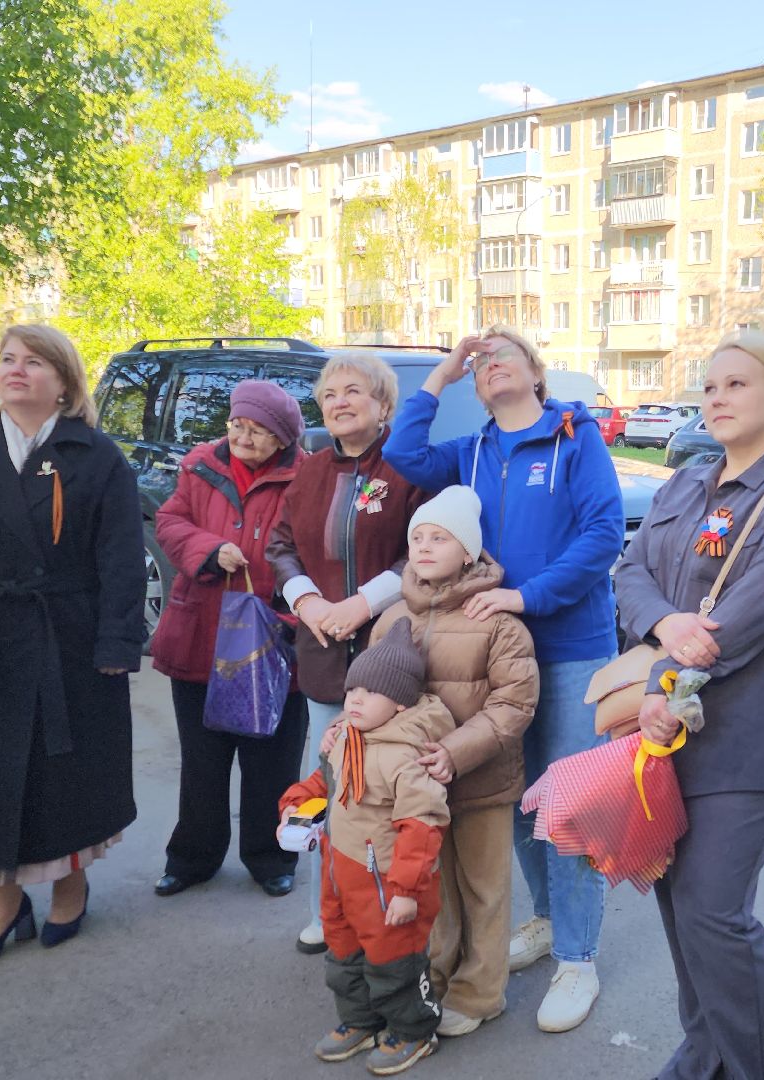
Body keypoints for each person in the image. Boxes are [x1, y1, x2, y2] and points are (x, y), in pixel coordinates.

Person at [384, 325, 624, 1032]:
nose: (490, 366)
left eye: (502, 355)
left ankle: (578, 957)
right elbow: (403, 454)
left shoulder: (576, 437)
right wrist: (442, 373)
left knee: (569, 805)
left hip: (570, 646)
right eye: (480, 362)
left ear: (536, 371)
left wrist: (527, 596)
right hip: (494, 652)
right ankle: (549, 918)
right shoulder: (474, 450)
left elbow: (603, 534)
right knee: (516, 798)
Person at [615, 331, 764, 1080]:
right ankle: (703, 1057)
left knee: (714, 910)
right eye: (709, 386)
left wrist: (665, 684)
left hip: (745, 738)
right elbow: (629, 572)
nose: (717, 398)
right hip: (664, 735)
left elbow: (750, 616)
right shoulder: (684, 484)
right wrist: (664, 624)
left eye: (737, 384)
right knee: (679, 907)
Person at [0, 324, 144, 970]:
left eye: (34, 361)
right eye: (8, 359)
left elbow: (122, 558)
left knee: (64, 778)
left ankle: (70, 887)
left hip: (67, 640)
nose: (16, 369)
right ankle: (2, 903)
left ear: (63, 381)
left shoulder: (96, 457)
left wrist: (117, 641)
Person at [350, 486, 538, 1039]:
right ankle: (435, 975)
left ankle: (480, 994)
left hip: (481, 780)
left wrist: (455, 753)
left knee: (482, 888)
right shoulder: (391, 618)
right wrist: (349, 731)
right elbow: (368, 693)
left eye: (440, 537)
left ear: (469, 551)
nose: (425, 547)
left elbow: (514, 703)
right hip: (413, 789)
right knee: (431, 887)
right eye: (417, 538)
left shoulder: (497, 620)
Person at [267, 354, 428, 951]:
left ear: (384, 404)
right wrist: (309, 602)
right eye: (330, 393)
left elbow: (422, 553)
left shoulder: (408, 468)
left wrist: (364, 603)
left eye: (354, 391)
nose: (339, 402)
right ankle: (329, 910)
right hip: (325, 655)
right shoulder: (309, 472)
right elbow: (281, 546)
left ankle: (398, 912)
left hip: (392, 655)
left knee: (394, 794)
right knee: (331, 786)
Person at [148, 380, 308, 899]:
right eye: (237, 425)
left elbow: (315, 546)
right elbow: (170, 522)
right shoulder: (200, 465)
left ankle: (271, 857)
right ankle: (192, 858)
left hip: (272, 639)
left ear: (282, 437)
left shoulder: (306, 477)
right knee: (202, 762)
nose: (242, 437)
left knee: (273, 762)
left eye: (257, 430)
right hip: (202, 634)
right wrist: (208, 549)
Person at [280, 620, 454, 1076]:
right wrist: (295, 804)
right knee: (343, 954)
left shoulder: (405, 756)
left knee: (394, 962)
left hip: (388, 887)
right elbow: (325, 783)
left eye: (370, 692)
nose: (355, 699)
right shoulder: (346, 739)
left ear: (399, 702)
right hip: (340, 876)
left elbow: (423, 825)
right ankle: (361, 1020)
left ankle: (413, 1031)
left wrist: (406, 892)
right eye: (352, 689)